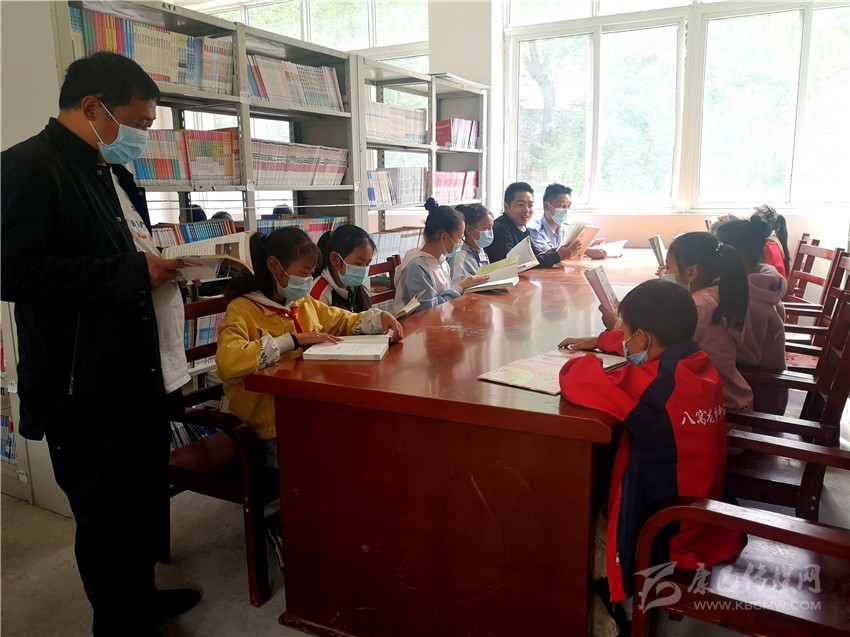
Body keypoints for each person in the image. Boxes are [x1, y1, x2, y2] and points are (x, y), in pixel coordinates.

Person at [0, 52, 200, 635]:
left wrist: (165, 264)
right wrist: (134, 273)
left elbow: (128, 252)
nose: (142, 137)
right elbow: (14, 272)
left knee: (141, 507)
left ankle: (142, 601)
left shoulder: (109, 172)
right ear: (92, 107)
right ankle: (119, 624)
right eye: (138, 124)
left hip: (138, 373)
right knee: (106, 521)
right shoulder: (27, 167)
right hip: (83, 389)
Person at [559, 280, 747, 636]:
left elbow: (576, 380)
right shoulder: (698, 364)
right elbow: (642, 346)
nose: (624, 341)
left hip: (672, 533)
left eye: (627, 334)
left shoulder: (652, 386)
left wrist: (587, 357)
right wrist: (604, 340)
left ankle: (615, 618)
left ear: (643, 337)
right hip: (709, 515)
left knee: (580, 522)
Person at [216, 227, 403, 467]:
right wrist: (292, 340)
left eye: (311, 273)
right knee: (330, 460)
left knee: (362, 439)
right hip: (269, 427)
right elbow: (228, 362)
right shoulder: (242, 310)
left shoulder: (302, 303)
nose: (307, 280)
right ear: (274, 266)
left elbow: (341, 320)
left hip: (306, 409)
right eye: (303, 273)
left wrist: (378, 318)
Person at [564, 232, 752, 410]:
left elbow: (654, 342)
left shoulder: (697, 307)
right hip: (718, 394)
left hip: (714, 404)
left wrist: (615, 324)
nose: (664, 272)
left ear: (691, 273)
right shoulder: (716, 294)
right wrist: (602, 340)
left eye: (668, 267)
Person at [715, 218, 789, 414]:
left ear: (735, 255)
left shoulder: (747, 299)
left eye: (718, 251)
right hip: (767, 389)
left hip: (759, 396)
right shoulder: (764, 283)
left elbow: (749, 357)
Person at [393, 198, 489, 316]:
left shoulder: (441, 261)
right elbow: (428, 310)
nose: (461, 242)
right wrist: (460, 287)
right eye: (459, 238)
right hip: (416, 325)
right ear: (444, 237)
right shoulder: (417, 267)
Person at [484, 181, 577, 267]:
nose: (527, 210)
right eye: (521, 205)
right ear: (506, 207)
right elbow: (514, 264)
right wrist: (557, 256)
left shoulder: (523, 228)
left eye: (530, 205)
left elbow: (537, 255)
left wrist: (562, 250)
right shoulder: (500, 229)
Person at [310, 224, 376, 312]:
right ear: (335, 259)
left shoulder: (353, 285)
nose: (363, 270)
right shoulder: (319, 293)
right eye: (358, 263)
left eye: (367, 264)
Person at [527, 183, 581, 259]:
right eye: (561, 206)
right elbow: (548, 255)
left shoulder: (567, 228)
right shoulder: (533, 230)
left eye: (568, 206)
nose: (566, 210)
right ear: (546, 206)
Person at [448, 202, 494, 284]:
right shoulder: (460, 256)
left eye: (491, 228)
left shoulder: (480, 250)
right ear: (469, 230)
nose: (490, 232)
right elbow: (458, 287)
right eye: (486, 228)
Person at [751, 204, 791, 277]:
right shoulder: (774, 241)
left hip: (772, 283)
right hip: (776, 281)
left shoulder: (766, 247)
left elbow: (760, 277)